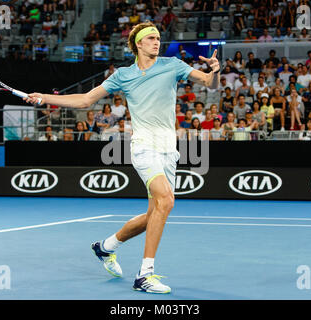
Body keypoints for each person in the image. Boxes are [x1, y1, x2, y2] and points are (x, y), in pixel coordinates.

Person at [24, 22, 221, 294]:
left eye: (158, 38)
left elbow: (209, 83)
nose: (156, 42)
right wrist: (45, 97)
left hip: (168, 149)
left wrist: (215, 71)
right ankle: (145, 275)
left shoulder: (172, 65)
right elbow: (85, 100)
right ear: (138, 44)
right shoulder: (123, 75)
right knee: (166, 200)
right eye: (151, 38)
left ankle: (106, 247)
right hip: (143, 146)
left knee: (155, 211)